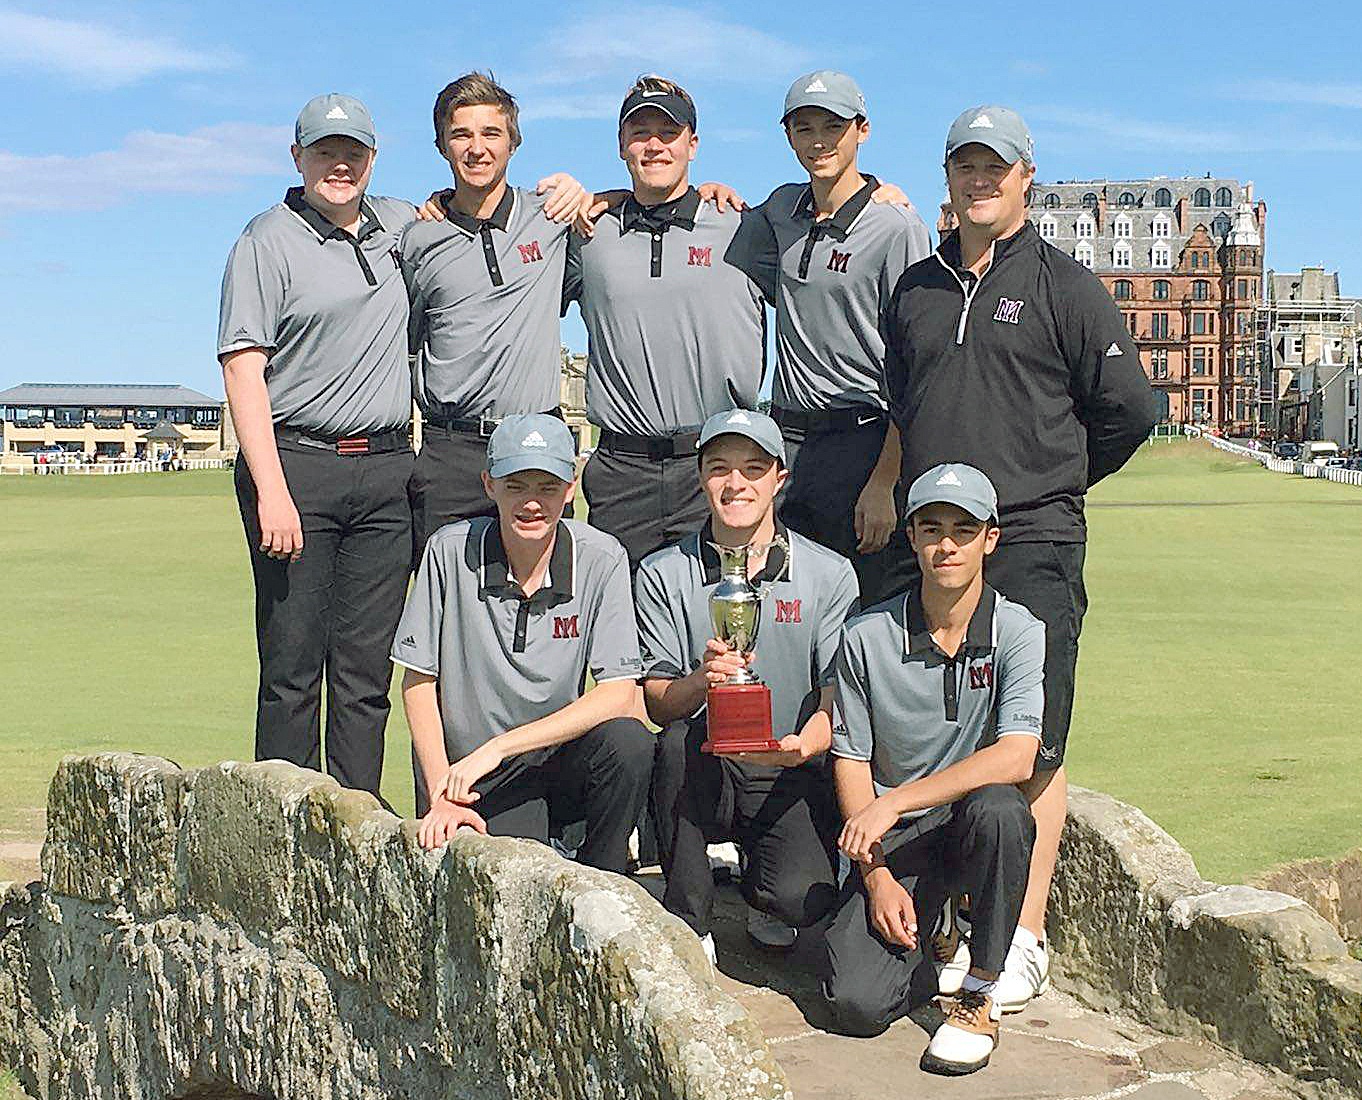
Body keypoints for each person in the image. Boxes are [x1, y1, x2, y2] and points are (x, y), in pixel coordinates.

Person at [881, 105, 1159, 1011]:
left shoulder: (1065, 286)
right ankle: (956, 918)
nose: (979, 180)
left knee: (1033, 740)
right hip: (937, 545)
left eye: (995, 166)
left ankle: (1024, 933)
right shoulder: (916, 289)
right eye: (965, 164)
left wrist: (1052, 482)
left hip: (1032, 540)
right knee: (936, 724)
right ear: (949, 175)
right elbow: (903, 405)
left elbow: (1131, 412)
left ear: (1025, 176)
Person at [218, 93, 417, 798]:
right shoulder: (264, 241)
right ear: (296, 156)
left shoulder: (400, 224)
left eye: (354, 151)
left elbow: (476, 207)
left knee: (366, 676)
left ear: (372, 157)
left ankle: (357, 831)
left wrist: (600, 195)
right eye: (326, 151)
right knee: (293, 668)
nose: (341, 164)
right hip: (297, 465)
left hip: (389, 470)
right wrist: (272, 488)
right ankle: (282, 835)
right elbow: (243, 366)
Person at [822, 463, 1044, 1075]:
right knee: (855, 1005)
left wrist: (896, 799)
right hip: (897, 845)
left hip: (968, 825)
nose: (946, 544)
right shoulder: (865, 636)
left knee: (1003, 808)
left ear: (989, 539)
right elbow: (851, 760)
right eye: (931, 527)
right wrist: (875, 877)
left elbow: (1018, 754)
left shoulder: (1019, 631)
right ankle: (939, 931)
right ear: (912, 537)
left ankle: (978, 991)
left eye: (963, 529)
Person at [634, 409, 858, 958]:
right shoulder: (663, 571)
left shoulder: (830, 574)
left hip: (786, 766)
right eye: (720, 469)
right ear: (702, 477)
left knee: (801, 900)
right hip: (703, 762)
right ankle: (691, 919)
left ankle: (758, 885)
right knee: (673, 746)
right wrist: (701, 682)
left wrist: (808, 743)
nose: (736, 484)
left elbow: (836, 692)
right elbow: (659, 704)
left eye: (754, 468)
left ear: (780, 479)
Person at [391, 414, 651, 873]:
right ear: (489, 485)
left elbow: (619, 693)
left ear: (571, 487)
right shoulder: (447, 551)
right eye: (516, 486)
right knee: (520, 870)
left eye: (548, 487)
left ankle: (605, 884)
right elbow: (417, 682)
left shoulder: (603, 556)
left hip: (550, 758)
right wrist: (441, 794)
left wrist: (504, 745)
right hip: (473, 776)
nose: (532, 503)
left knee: (629, 743)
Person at [727, 71, 932, 604]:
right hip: (791, 443)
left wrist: (886, 481)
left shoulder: (895, 225)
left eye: (833, 127)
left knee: (866, 612)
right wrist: (711, 188)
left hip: (863, 442)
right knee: (792, 610)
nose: (818, 140)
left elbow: (915, 365)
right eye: (804, 127)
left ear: (861, 131)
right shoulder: (780, 210)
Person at [562, 74, 768, 572]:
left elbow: (824, 247)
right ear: (621, 146)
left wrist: (878, 193)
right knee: (620, 634)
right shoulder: (588, 234)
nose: (654, 145)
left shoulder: (744, 225)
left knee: (720, 628)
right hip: (620, 473)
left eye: (668, 132)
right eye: (640, 132)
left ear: (692, 145)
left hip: (717, 467)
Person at [402, 72, 589, 557]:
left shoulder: (551, 217)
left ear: (513, 143)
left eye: (491, 133)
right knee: (451, 608)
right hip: (450, 451)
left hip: (535, 445)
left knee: (541, 603)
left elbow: (628, 208)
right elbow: (405, 340)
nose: (477, 148)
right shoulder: (418, 238)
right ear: (443, 145)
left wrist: (588, 193)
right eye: (461, 134)